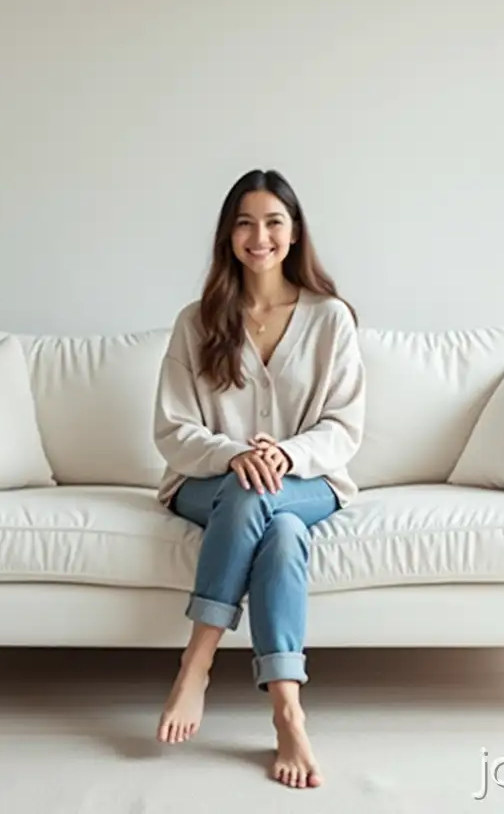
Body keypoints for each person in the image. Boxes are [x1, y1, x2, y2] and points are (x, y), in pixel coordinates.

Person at [151, 168, 366, 789]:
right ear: (228, 235)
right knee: (270, 516)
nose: (259, 235)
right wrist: (232, 454)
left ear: (294, 233)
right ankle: (281, 709)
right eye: (245, 222)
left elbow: (344, 428)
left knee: (273, 512)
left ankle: (205, 670)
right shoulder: (198, 320)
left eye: (273, 221)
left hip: (308, 481)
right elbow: (171, 429)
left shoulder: (331, 320)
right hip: (205, 483)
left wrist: (285, 455)